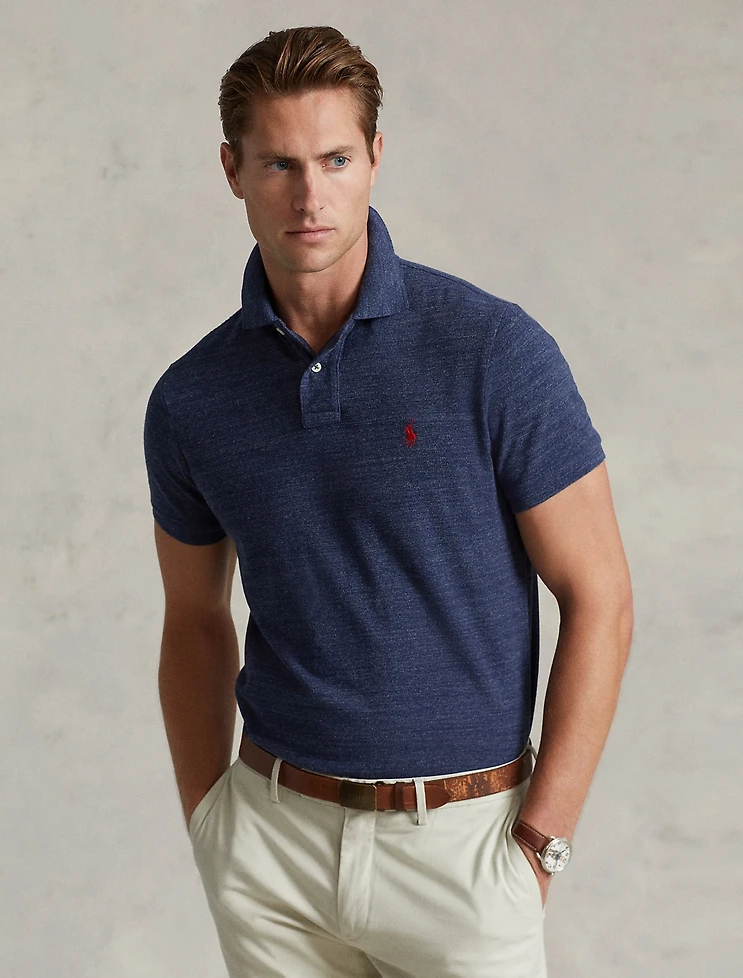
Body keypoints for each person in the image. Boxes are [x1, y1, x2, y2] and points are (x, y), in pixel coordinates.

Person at [143, 24, 634, 978]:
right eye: (279, 164)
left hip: (463, 850)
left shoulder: (493, 352)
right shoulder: (193, 399)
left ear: (375, 156)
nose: (310, 195)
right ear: (232, 170)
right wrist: (213, 824)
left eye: (335, 159)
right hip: (274, 852)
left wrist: (540, 846)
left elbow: (602, 598)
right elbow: (193, 618)